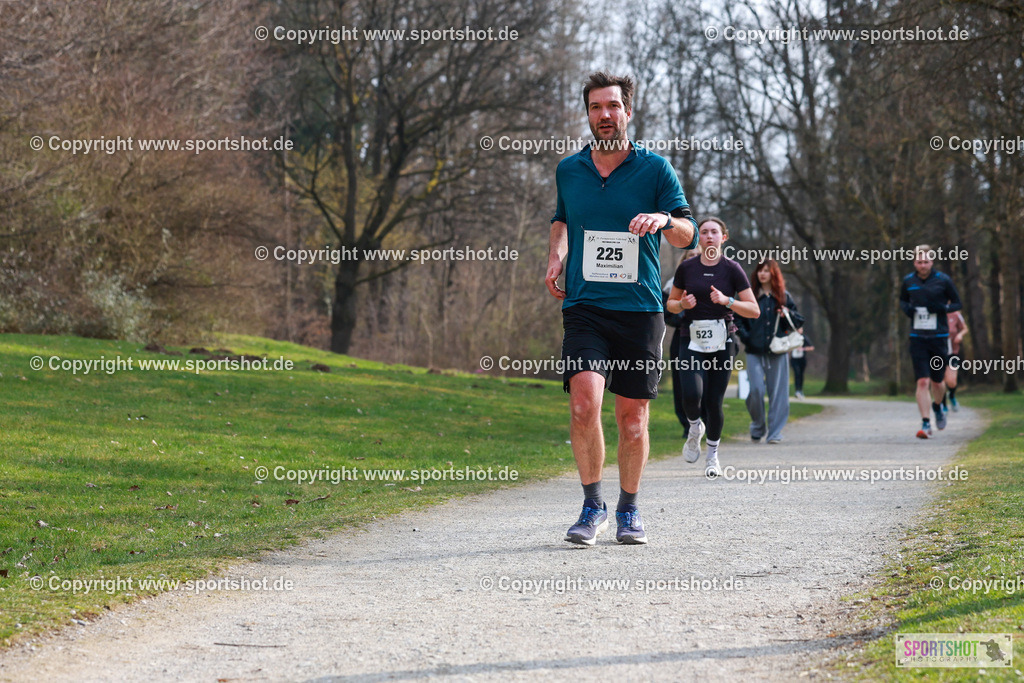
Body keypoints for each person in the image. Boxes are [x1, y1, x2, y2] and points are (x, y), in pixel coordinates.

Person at [547, 72, 698, 546]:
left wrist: (663, 220)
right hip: (586, 305)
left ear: (628, 112)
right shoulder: (569, 170)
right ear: (587, 113)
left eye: (613, 106)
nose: (605, 116)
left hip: (640, 309)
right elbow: (562, 219)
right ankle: (593, 506)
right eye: (595, 108)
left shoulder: (655, 170)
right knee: (583, 402)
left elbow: (688, 234)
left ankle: (629, 510)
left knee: (633, 420)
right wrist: (556, 255)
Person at [666, 217, 759, 478]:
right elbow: (670, 304)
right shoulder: (687, 268)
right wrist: (682, 305)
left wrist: (728, 300)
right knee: (691, 396)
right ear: (698, 238)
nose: (708, 236)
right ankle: (695, 427)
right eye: (704, 232)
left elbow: (754, 310)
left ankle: (713, 457)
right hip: (690, 338)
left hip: (722, 340)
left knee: (714, 401)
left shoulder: (732, 269)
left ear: (723, 237)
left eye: (714, 232)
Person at [898, 245, 962, 439]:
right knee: (923, 381)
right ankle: (925, 423)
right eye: (919, 262)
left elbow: (958, 303)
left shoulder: (943, 280)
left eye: (926, 262)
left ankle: (938, 407)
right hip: (917, 337)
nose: (923, 265)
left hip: (939, 338)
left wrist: (941, 308)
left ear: (931, 262)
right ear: (914, 262)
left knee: (937, 381)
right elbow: (903, 301)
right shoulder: (908, 281)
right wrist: (908, 309)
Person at [736, 259, 801, 444]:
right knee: (755, 390)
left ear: (774, 274)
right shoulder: (750, 296)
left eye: (766, 270)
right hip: (754, 351)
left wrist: (786, 313)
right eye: (760, 270)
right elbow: (737, 319)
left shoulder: (784, 296)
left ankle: (775, 433)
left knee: (778, 393)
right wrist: (747, 337)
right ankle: (758, 425)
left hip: (778, 351)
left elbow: (798, 322)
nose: (762, 274)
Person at [663, 255, 708, 439]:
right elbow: (666, 315)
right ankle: (687, 424)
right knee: (682, 384)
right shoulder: (671, 285)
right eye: (688, 256)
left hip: (708, 338)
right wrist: (683, 314)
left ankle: (706, 420)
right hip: (682, 337)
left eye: (696, 255)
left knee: (707, 382)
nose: (692, 259)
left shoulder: (713, 278)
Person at [942, 310, 968, 412]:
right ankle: (943, 406)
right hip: (938, 351)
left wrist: (960, 335)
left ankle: (951, 395)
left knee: (952, 381)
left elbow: (965, 328)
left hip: (953, 352)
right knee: (941, 380)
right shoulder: (935, 311)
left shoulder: (956, 314)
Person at [790, 329, 814, 399]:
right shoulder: (792, 338)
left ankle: (800, 390)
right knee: (796, 373)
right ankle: (797, 390)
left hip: (802, 359)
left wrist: (803, 349)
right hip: (794, 359)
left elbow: (811, 347)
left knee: (801, 374)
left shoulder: (804, 338)